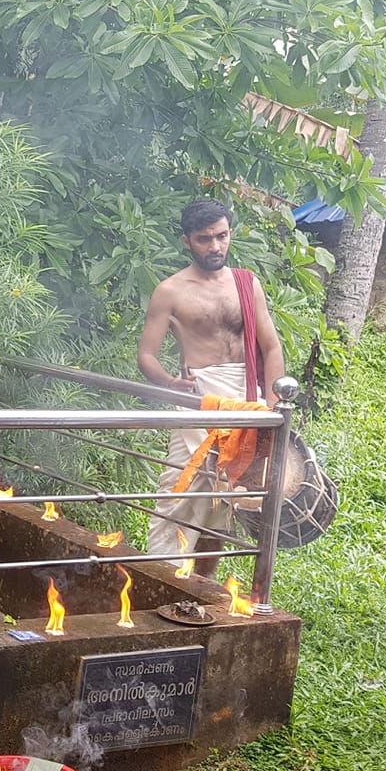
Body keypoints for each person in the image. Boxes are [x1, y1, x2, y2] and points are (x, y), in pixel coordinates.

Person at [137, 199, 285, 575]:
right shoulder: (169, 291)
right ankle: (165, 579)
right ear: (187, 241)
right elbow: (147, 357)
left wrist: (271, 405)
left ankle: (204, 586)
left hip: (247, 400)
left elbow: (271, 347)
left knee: (224, 503)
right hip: (199, 399)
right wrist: (172, 383)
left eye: (222, 236)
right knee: (181, 493)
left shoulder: (246, 283)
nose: (215, 246)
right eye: (205, 239)